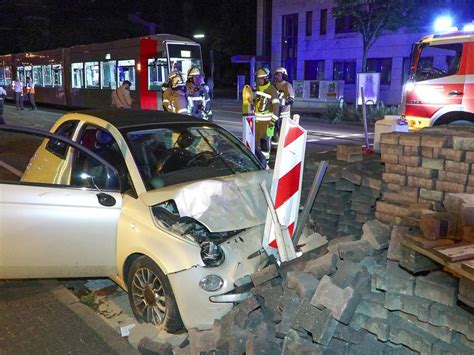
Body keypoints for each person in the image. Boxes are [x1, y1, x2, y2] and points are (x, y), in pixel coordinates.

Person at [253, 67, 280, 161]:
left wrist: (272, 122)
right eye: (258, 78)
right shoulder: (257, 89)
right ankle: (256, 161)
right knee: (254, 143)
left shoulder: (272, 90)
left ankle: (265, 162)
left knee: (265, 142)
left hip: (267, 123)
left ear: (267, 78)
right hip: (256, 122)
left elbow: (276, 107)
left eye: (262, 78)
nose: (260, 80)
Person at [273, 67, 295, 143]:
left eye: (279, 75)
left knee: (282, 132)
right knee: (274, 132)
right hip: (275, 114)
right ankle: (274, 147)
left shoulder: (287, 85)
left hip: (284, 115)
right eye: (276, 75)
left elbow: (291, 100)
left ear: (284, 76)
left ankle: (282, 147)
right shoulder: (273, 85)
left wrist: (281, 102)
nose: (277, 77)